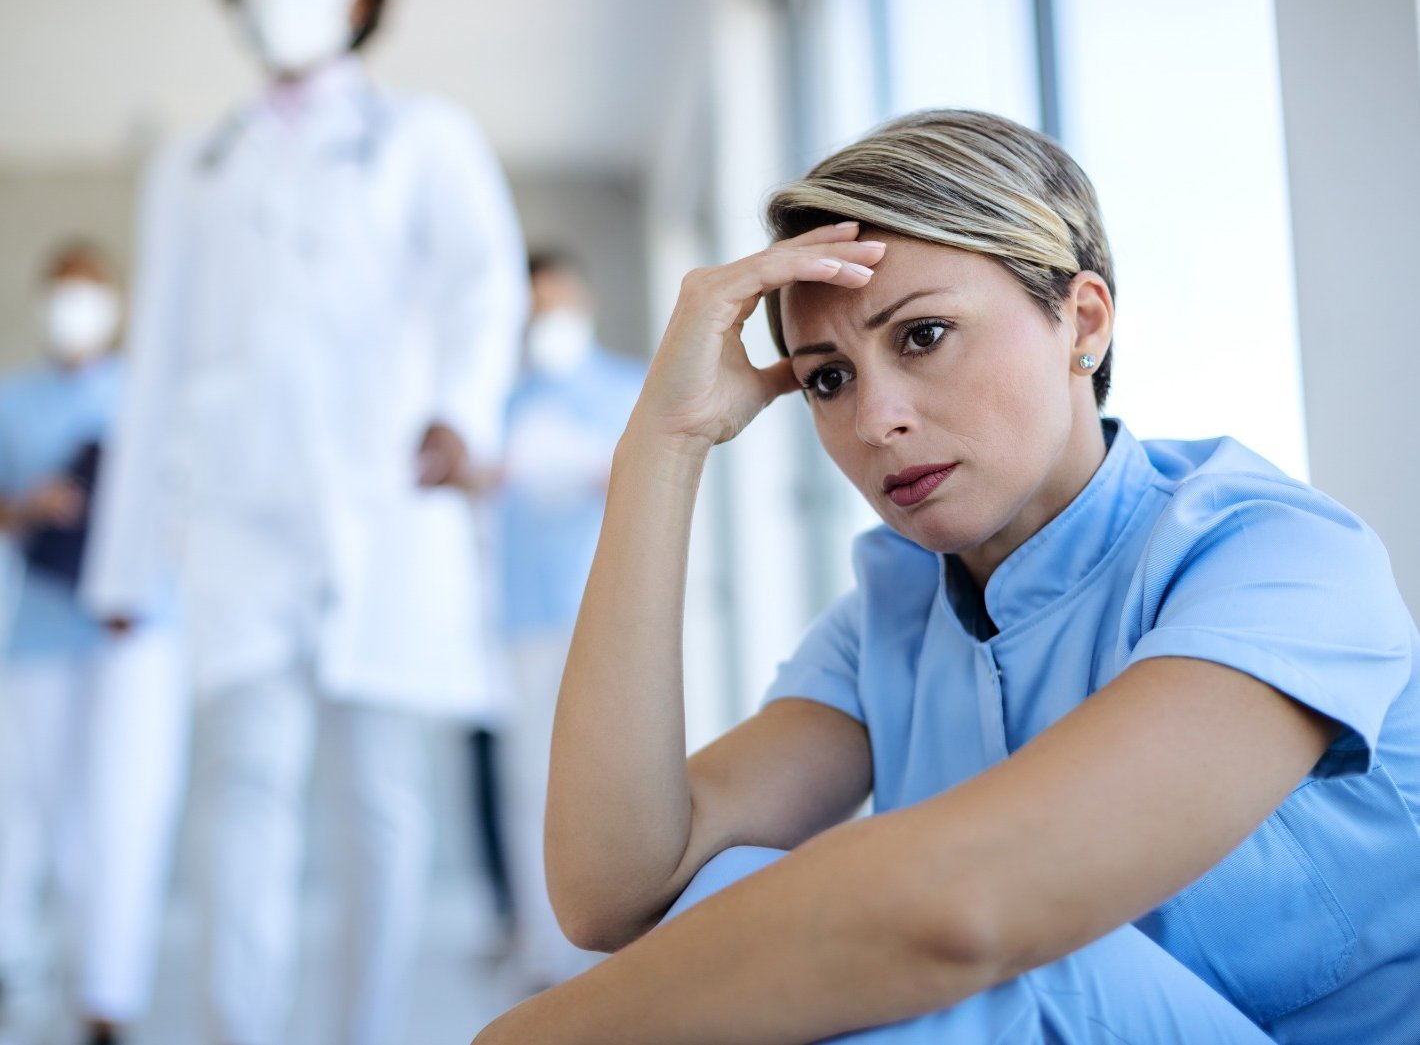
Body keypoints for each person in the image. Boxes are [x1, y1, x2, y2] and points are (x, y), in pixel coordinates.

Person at [472, 110, 1420, 1044]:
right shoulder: (892, 614)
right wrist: (663, 443)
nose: (875, 418)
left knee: (979, 952)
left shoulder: (1283, 560)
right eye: (828, 378)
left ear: (1082, 321)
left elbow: (967, 909)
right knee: (734, 888)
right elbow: (616, 891)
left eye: (923, 335)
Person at [82, 0, 528, 1043]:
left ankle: (367, 1032)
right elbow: (155, 366)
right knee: (244, 786)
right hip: (239, 517)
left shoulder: (422, 137)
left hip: (386, 506)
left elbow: (485, 284)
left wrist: (463, 411)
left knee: (381, 802)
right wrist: (125, 561)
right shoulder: (192, 162)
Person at [0, 243, 189, 1045]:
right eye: (62, 292)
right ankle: (59, 962)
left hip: (137, 633)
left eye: (89, 292)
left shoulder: (153, 394)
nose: (74, 309)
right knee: (53, 812)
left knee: (129, 809)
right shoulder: (13, 400)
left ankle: (110, 996)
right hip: (43, 632)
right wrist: (28, 507)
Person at [493, 251, 645, 990]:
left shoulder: (627, 388)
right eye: (537, 307)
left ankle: (627, 935)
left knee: (621, 777)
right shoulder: (502, 400)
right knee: (530, 783)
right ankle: (543, 946)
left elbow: (650, 479)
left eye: (559, 303)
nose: (549, 320)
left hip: (612, 613)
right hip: (525, 614)